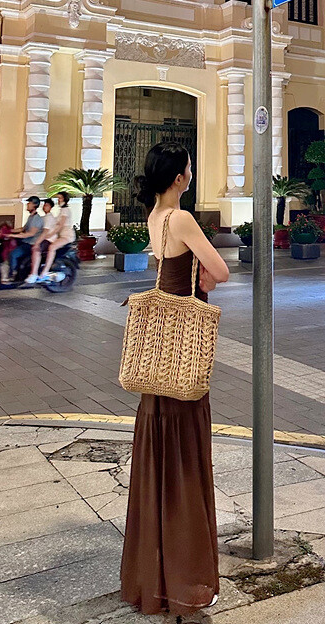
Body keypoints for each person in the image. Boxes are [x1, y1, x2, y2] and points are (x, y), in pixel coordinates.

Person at [120, 142, 229, 616]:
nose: (191, 173)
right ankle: (185, 575)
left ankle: (155, 575)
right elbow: (221, 270)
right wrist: (207, 276)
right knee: (184, 462)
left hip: (159, 348)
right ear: (180, 177)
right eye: (189, 167)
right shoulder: (182, 218)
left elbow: (176, 269)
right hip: (183, 348)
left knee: (159, 460)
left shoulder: (155, 216)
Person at [8, 196, 44, 279]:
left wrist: (13, 235)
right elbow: (23, 229)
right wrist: (9, 231)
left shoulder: (37, 219)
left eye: (29, 203)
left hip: (31, 243)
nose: (27, 205)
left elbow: (30, 233)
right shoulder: (31, 217)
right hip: (25, 241)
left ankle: (13, 274)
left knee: (13, 254)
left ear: (34, 205)